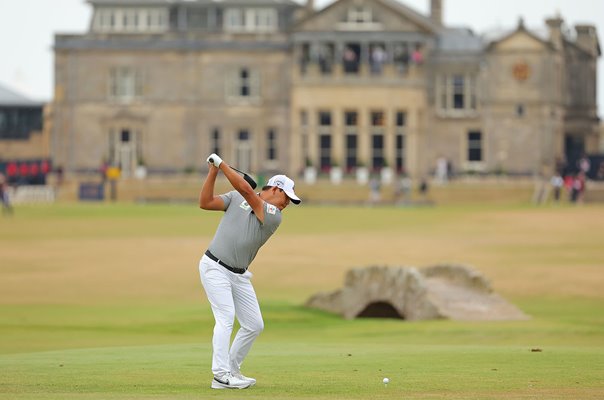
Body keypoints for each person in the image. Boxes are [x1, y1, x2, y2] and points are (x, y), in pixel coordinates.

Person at [198, 153, 301, 390]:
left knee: (254, 324)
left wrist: (221, 164)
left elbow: (246, 191)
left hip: (239, 274)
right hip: (214, 266)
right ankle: (221, 375)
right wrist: (213, 171)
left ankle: (232, 370)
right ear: (275, 189)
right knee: (225, 319)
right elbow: (205, 202)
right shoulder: (236, 197)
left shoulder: (274, 216)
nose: (287, 204)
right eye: (287, 197)